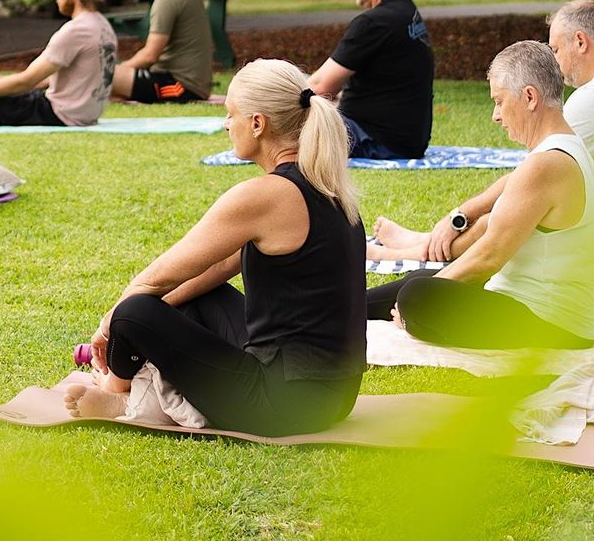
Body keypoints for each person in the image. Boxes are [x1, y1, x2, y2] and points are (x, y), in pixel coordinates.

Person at [63, 58, 368, 436]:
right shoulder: (328, 185)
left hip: (284, 405)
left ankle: (118, 395)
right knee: (195, 295)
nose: (226, 124)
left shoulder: (266, 195)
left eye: (231, 114)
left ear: (258, 123)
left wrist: (110, 328)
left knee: (134, 311)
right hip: (332, 395)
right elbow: (217, 266)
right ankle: (132, 388)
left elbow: (155, 279)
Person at [371, 0, 594, 262]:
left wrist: (458, 217)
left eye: (556, 50)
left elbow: (528, 179)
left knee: (513, 214)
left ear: (581, 42)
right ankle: (425, 243)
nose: (555, 63)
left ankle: (418, 252)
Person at [367, 41, 594, 349]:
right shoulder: (560, 149)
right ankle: (338, 307)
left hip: (550, 321)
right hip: (533, 306)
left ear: (530, 97)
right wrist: (458, 220)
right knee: (417, 283)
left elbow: (489, 256)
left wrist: (423, 300)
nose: (495, 115)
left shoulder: (547, 163)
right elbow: (509, 187)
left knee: (417, 296)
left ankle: (411, 316)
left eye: (499, 102)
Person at [305, 0, 434, 158]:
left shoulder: (375, 22)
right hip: (408, 140)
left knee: (280, 128)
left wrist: (270, 103)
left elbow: (319, 87)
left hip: (374, 139)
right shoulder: (407, 11)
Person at [111, 0, 214, 104]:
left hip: (180, 87)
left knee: (100, 76)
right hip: (181, 82)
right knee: (105, 79)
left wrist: (121, 70)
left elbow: (150, 56)